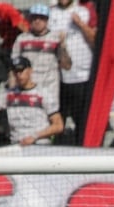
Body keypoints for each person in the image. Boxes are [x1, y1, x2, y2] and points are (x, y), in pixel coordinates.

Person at [0, 56, 63, 146]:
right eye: (15, 71)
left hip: (40, 145)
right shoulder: (8, 94)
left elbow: (58, 125)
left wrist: (34, 136)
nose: (18, 74)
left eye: (21, 70)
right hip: (17, 146)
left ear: (30, 70)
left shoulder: (43, 93)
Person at [49, 0, 97, 145]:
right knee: (58, 122)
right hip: (58, 79)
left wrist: (81, 24)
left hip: (82, 76)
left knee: (82, 121)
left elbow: (96, 41)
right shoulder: (51, 13)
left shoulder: (84, 11)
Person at [11, 3, 71, 106]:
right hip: (27, 91)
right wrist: (13, 89)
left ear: (47, 20)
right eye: (34, 18)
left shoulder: (55, 38)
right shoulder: (21, 39)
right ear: (29, 20)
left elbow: (67, 66)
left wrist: (63, 46)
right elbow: (13, 67)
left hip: (49, 92)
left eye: (41, 18)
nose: (37, 21)